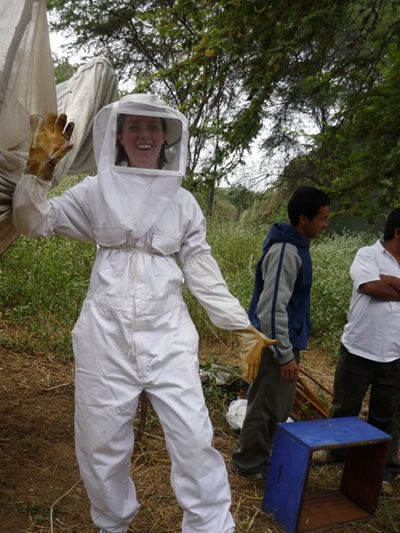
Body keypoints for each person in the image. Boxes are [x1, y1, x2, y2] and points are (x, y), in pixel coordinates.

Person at [12, 94, 275, 533]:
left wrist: (240, 325)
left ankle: (211, 525)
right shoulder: (95, 190)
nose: (145, 134)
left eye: (153, 127)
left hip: (168, 335)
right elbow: (33, 220)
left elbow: (201, 269)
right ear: (119, 134)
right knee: (101, 443)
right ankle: (113, 524)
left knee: (193, 438)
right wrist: (38, 173)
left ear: (167, 136)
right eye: (134, 126)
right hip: (105, 335)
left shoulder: (184, 202)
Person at [232, 186, 330, 480]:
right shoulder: (286, 251)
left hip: (282, 342)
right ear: (304, 218)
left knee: (276, 405)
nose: (325, 224)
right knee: (264, 405)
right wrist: (285, 355)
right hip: (274, 343)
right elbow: (272, 308)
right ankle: (249, 465)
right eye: (322, 219)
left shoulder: (296, 247)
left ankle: (260, 459)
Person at [316, 208, 400, 496]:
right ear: (398, 233)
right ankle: (337, 452)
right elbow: (369, 286)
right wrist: (384, 283)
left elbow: (381, 285)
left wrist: (389, 280)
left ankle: (382, 471)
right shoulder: (367, 254)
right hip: (359, 348)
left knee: (387, 415)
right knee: (344, 408)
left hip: (394, 353)